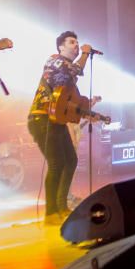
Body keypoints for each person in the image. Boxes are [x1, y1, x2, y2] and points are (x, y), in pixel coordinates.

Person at [27, 30, 95, 225]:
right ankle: (50, 213)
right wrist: (85, 53)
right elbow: (75, 70)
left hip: (56, 120)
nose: (76, 45)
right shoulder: (54, 60)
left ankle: (61, 207)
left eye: (77, 42)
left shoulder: (68, 76)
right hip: (41, 118)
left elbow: (69, 98)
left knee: (70, 160)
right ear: (60, 47)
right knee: (57, 164)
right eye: (72, 42)